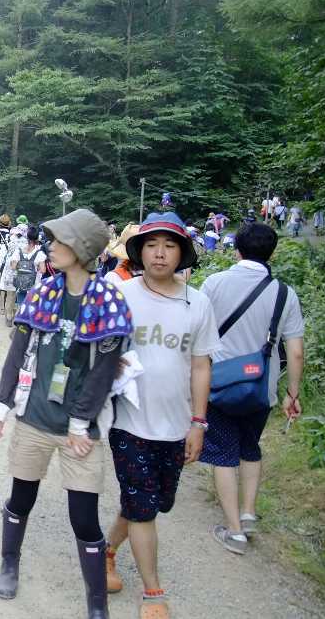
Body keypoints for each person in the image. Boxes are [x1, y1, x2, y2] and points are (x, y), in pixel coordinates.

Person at [0, 209, 132, 619]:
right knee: (21, 498)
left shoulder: (108, 300)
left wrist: (79, 421)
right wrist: (3, 402)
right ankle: (9, 562)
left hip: (80, 431)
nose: (50, 245)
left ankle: (96, 600)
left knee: (84, 518)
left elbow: (104, 371)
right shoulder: (42, 292)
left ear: (83, 248)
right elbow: (18, 350)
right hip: (34, 418)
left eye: (60, 239)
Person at [101, 213, 219, 619]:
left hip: (176, 424)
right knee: (143, 505)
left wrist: (199, 423)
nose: (159, 253)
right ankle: (153, 593)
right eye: (152, 245)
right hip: (128, 421)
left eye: (169, 245)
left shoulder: (197, 302)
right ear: (140, 251)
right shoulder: (122, 293)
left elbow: (201, 365)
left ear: (181, 253)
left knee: (151, 501)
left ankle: (106, 551)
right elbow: (97, 345)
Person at [199, 223, 304, 554]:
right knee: (250, 448)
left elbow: (196, 329)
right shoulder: (285, 293)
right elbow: (296, 350)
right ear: (271, 253)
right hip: (262, 389)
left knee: (224, 452)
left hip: (219, 386)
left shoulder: (215, 283)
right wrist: (292, 393)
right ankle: (247, 514)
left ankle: (234, 532)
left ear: (237, 250)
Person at [9, 226, 47, 309]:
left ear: (27, 237)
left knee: (20, 306)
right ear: (37, 239)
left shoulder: (19, 251)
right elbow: (43, 270)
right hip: (34, 286)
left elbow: (13, 267)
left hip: (21, 285)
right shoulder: (40, 254)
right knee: (31, 307)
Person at [0, 227, 26, 324]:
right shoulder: (27, 244)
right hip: (23, 272)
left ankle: (9, 316)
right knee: (20, 295)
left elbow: (2, 257)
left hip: (10, 272)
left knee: (10, 295)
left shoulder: (8, 243)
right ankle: (17, 315)